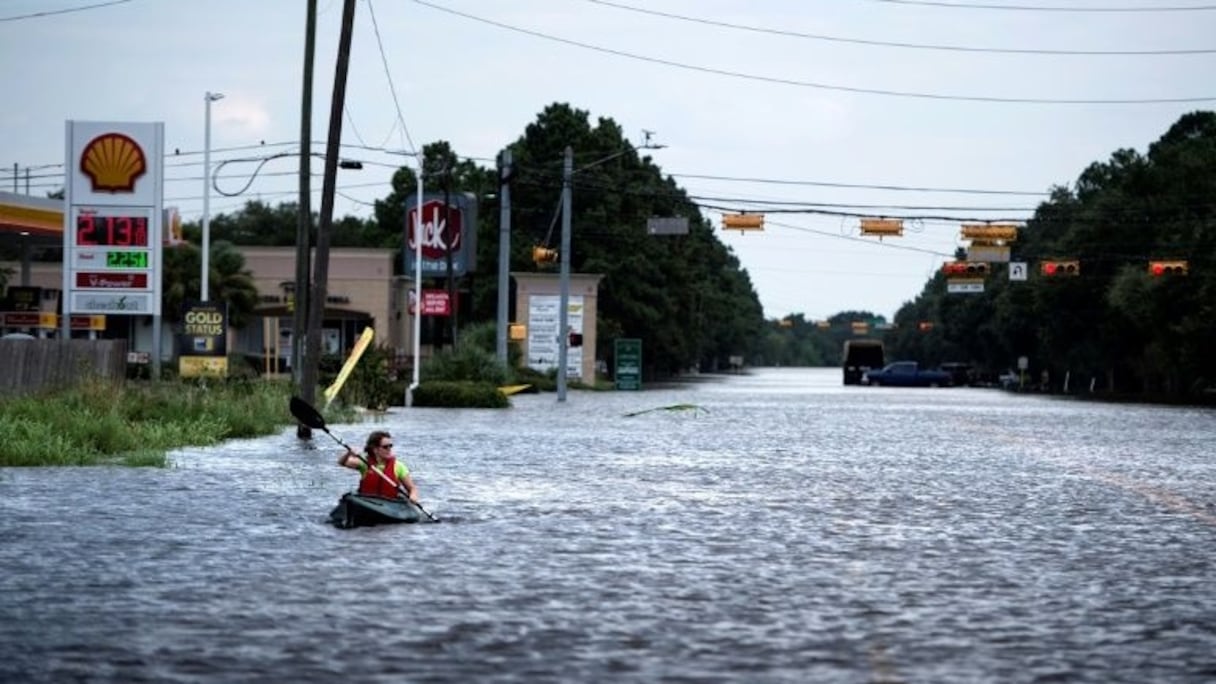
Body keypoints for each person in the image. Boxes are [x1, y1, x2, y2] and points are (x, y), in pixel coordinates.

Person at [337, 430, 420, 503]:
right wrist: (348, 453)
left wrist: (413, 496)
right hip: (368, 501)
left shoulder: (399, 466)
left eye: (390, 446)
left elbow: (412, 488)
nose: (389, 449)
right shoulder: (365, 463)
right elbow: (342, 462)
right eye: (385, 447)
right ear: (375, 449)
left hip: (390, 503)